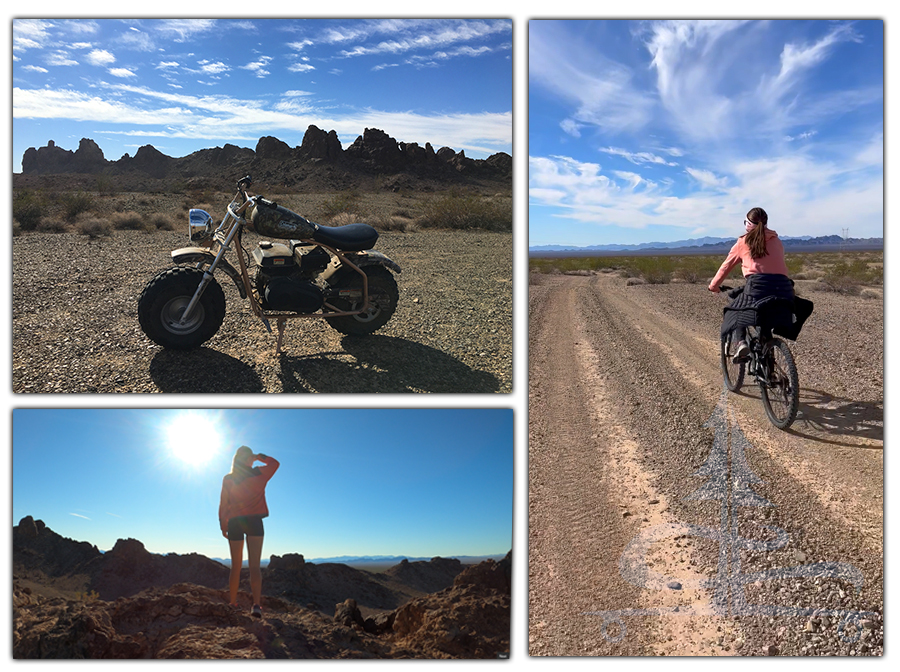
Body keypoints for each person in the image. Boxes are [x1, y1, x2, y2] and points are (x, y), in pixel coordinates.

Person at [708, 207, 794, 362]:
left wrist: (713, 286)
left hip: (757, 286)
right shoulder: (777, 241)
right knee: (767, 312)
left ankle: (741, 343)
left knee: (736, 309)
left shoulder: (743, 242)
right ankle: (770, 368)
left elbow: (726, 266)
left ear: (748, 224)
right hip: (784, 287)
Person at [218, 446, 279, 617]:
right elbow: (275, 464)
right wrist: (260, 456)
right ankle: (256, 606)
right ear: (248, 458)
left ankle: (232, 603)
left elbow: (224, 503)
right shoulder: (259, 473)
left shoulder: (229, 479)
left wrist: (223, 524)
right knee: (254, 566)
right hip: (254, 522)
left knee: (235, 566)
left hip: (235, 523)